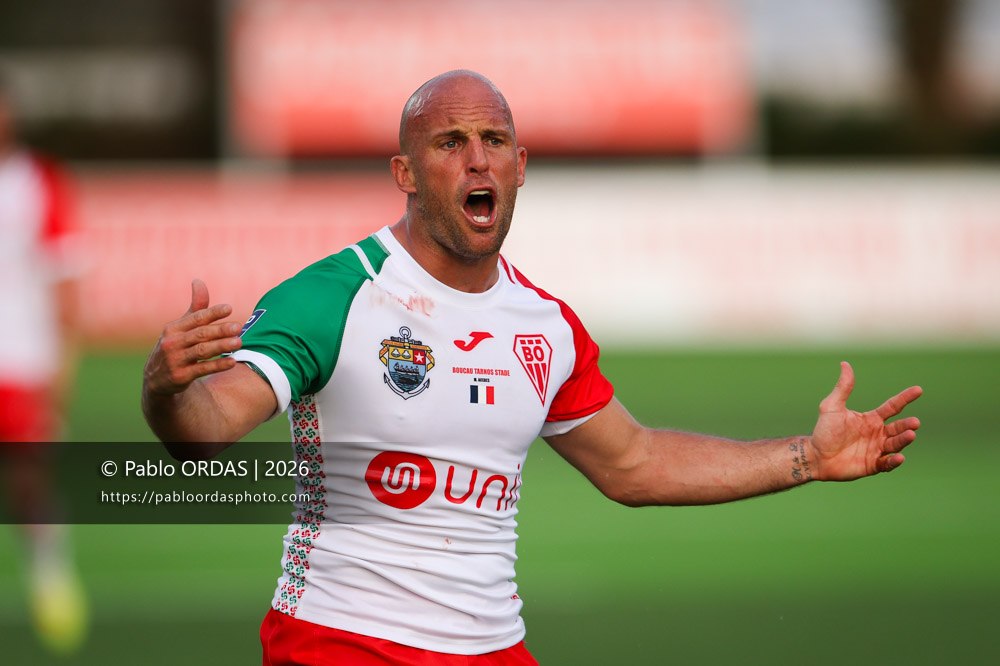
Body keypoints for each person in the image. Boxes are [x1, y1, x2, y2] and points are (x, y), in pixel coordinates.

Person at [141, 70, 922, 665]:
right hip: (344, 641)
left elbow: (636, 462)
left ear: (521, 165)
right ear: (406, 173)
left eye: (494, 141)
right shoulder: (335, 295)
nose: (477, 159)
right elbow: (206, 428)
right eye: (449, 143)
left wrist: (805, 459)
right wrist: (167, 392)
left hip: (494, 648)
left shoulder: (544, 325)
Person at [0, 72, 88, 654]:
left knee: (30, 483)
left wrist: (65, 360)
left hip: (22, 359)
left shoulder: (39, 182)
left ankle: (50, 576)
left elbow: (64, 276)